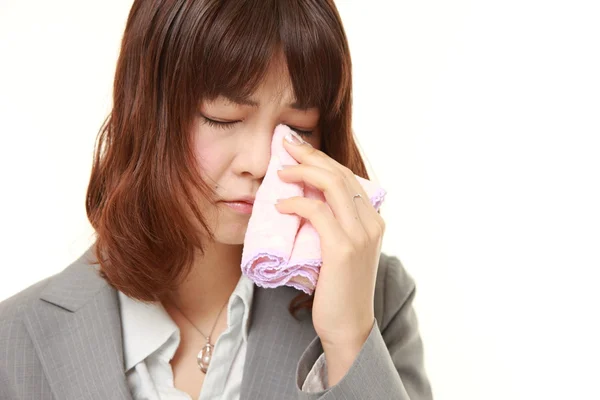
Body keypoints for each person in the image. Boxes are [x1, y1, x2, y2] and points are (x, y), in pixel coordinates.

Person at [0, 1, 433, 399]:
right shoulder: (13, 342)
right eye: (222, 117)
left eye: (298, 128)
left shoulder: (375, 301)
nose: (262, 161)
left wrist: (347, 341)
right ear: (147, 111)